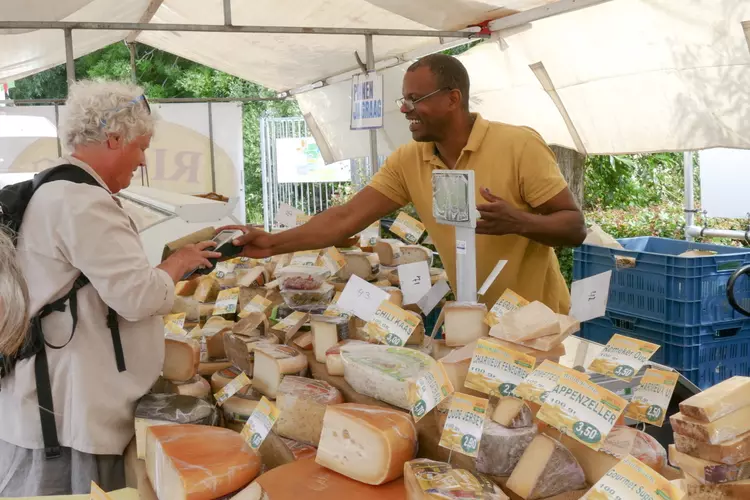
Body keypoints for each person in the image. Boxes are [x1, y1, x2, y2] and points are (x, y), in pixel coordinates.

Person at [227, 54, 586, 311]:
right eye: (404, 99)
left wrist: (519, 222)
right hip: (472, 318)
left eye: (416, 99)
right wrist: (272, 243)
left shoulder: (518, 144)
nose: (404, 109)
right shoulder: (408, 160)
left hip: (537, 322)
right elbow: (343, 220)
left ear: (453, 98)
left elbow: (574, 228)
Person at [0, 80, 221, 496]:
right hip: (68, 409)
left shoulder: (54, 188)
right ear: (114, 137)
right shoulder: (82, 201)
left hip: (56, 396)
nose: (142, 160)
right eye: (141, 146)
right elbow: (137, 297)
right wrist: (176, 263)